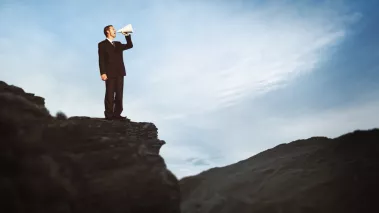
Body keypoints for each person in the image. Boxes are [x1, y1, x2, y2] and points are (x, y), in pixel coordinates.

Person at [98, 25, 133, 120]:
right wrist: (103, 72)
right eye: (113, 29)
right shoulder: (102, 44)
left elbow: (130, 45)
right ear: (107, 31)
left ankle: (117, 114)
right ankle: (109, 115)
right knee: (109, 94)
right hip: (109, 73)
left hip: (120, 72)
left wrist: (127, 35)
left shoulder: (118, 44)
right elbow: (101, 60)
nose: (115, 30)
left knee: (119, 94)